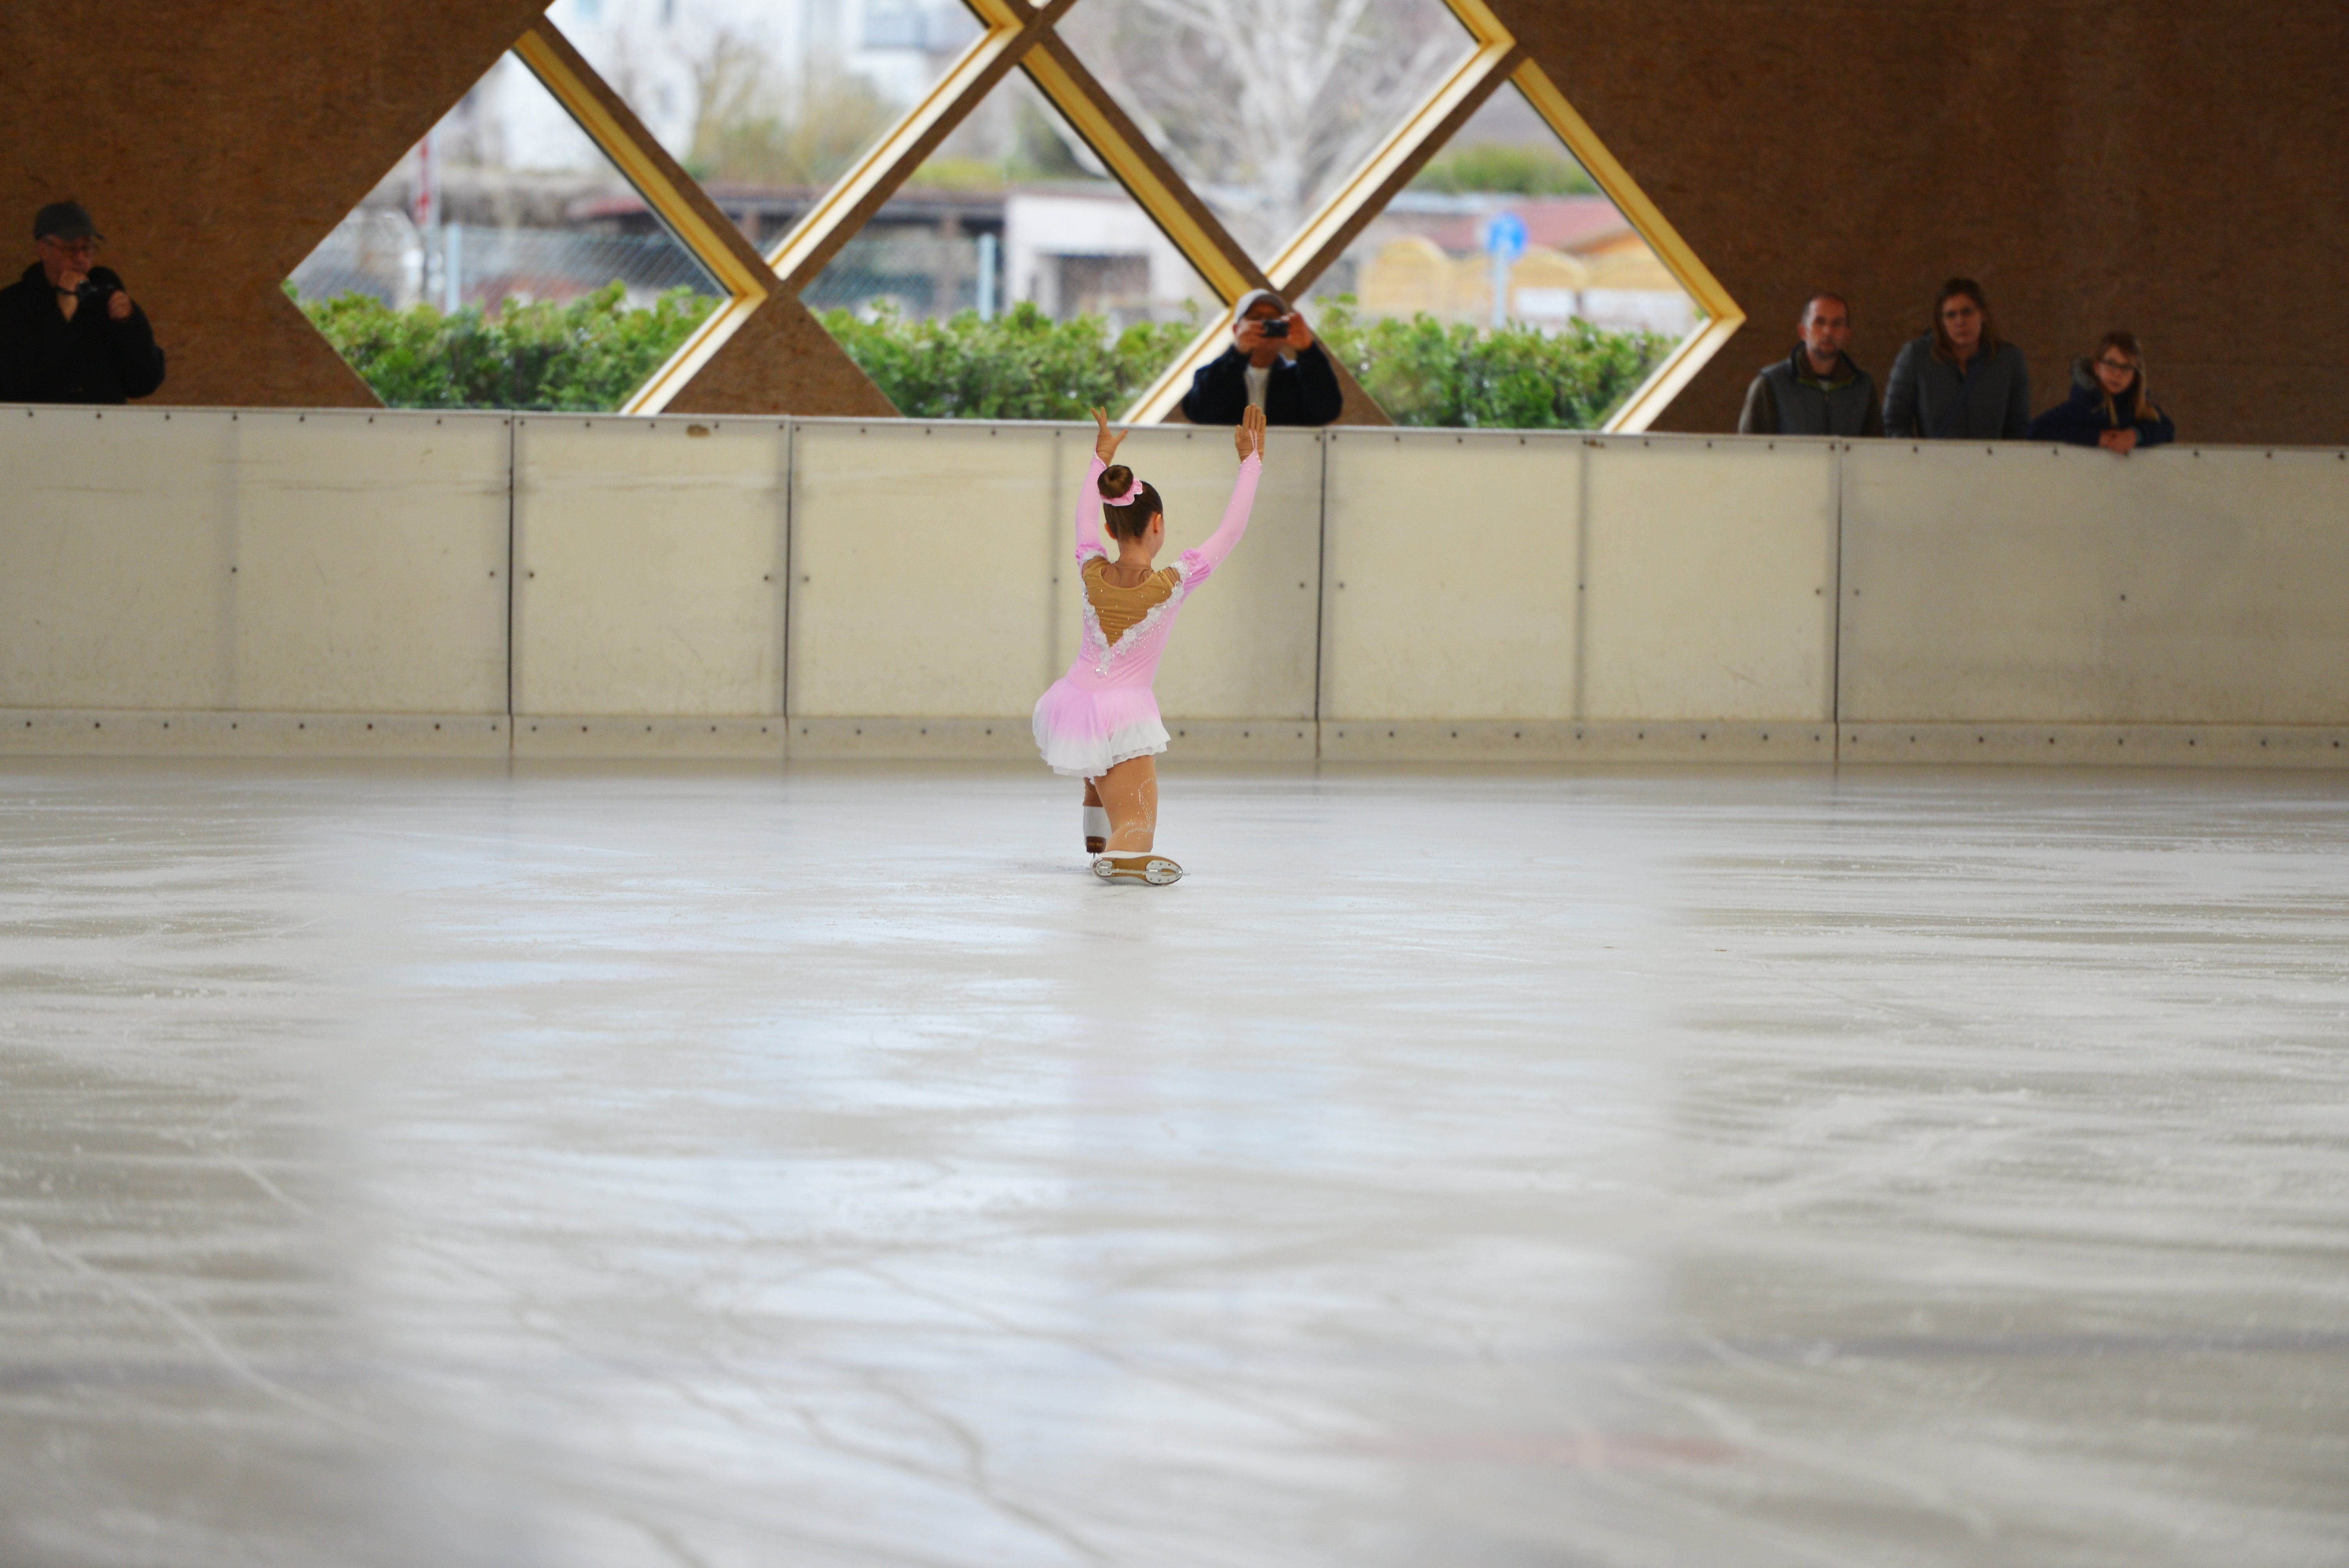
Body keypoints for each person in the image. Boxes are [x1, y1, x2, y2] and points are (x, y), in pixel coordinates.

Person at [1034, 404, 1266, 886]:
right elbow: (1231, 531)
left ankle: (1096, 826)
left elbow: (1082, 515)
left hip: (1073, 702)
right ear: (1156, 522)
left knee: (1100, 766)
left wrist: (1100, 458)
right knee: (1139, 825)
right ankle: (1119, 854)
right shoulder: (1173, 582)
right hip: (1120, 714)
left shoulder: (1089, 566)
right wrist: (1251, 463)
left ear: (1110, 528)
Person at [0, 201, 166, 404]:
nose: (80, 258)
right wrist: (61, 317)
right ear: (44, 250)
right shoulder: (13, 305)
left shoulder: (105, 298)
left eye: (87, 248)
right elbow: (11, 381)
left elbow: (145, 382)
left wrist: (129, 325)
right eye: (70, 249)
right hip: (38, 422)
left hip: (105, 422)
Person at [1882, 278, 2028, 440]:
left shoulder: (2009, 359)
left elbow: (2018, 427)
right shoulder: (1917, 356)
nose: (1960, 322)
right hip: (1934, 456)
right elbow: (1894, 421)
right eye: (1951, 315)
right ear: (1941, 322)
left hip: (1991, 456)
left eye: (1967, 312)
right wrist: (1916, 453)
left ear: (1983, 315)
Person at [1180, 289, 1342, 426]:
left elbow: (1327, 412)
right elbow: (1200, 412)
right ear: (1237, 330)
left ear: (1284, 329)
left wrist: (1308, 351)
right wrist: (1237, 354)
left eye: (1273, 320)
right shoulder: (1212, 375)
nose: (1265, 325)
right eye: (1256, 318)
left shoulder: (1299, 378)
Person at [1738, 293, 1884, 437]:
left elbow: (1875, 447)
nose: (1828, 332)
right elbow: (1749, 447)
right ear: (1803, 332)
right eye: (1820, 322)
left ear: (1847, 335)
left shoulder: (1863, 387)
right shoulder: (1771, 384)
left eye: (1837, 324)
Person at [2026, 331, 2175, 454]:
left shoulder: (2139, 405)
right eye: (2111, 364)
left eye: (2126, 368)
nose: (2118, 374)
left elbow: (2167, 429)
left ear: (2135, 375)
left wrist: (2137, 435)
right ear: (2097, 367)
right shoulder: (2086, 404)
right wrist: (2097, 438)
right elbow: (2035, 430)